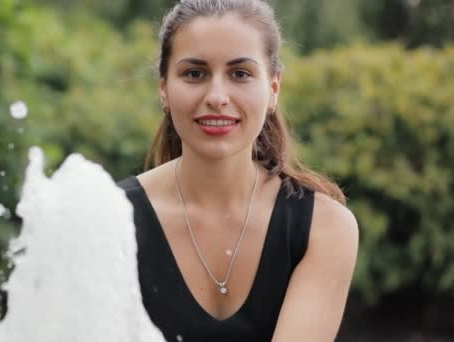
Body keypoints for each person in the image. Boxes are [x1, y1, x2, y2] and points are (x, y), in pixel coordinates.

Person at [117, 0, 358, 341]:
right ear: (163, 89)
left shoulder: (325, 227)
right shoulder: (111, 219)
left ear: (273, 89)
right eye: (195, 73)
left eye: (240, 73)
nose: (217, 96)